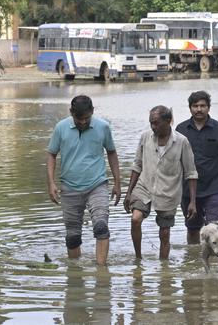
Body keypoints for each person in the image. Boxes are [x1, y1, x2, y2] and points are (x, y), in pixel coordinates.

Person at [46, 95, 122, 265]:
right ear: (71, 112)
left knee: (101, 226)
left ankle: (102, 272)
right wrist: (51, 183)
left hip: (97, 184)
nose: (82, 122)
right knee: (72, 236)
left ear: (92, 112)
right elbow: (51, 154)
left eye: (86, 118)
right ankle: (75, 273)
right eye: (78, 119)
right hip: (69, 187)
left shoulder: (103, 127)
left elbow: (111, 152)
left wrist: (117, 182)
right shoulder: (61, 128)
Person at [124, 105, 197, 260]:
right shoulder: (145, 137)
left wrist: (192, 202)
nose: (153, 127)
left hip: (168, 192)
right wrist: (128, 192)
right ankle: (138, 258)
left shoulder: (182, 142)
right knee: (135, 219)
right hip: (145, 185)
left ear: (169, 121)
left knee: (164, 234)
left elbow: (191, 173)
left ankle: (164, 271)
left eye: (156, 123)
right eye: (151, 123)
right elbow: (137, 165)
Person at [176, 90, 218, 245]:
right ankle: (193, 260)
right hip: (188, 190)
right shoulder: (180, 130)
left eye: (202, 105)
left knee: (215, 229)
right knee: (192, 228)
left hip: (214, 188)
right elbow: (173, 162)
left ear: (209, 108)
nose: (199, 109)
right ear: (190, 108)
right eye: (195, 106)